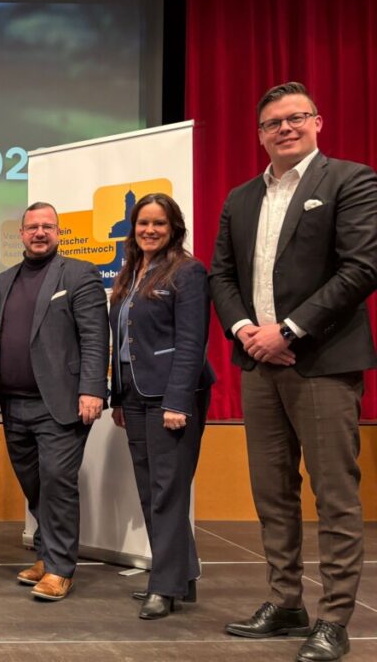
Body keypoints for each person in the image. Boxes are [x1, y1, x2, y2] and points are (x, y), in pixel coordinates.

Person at [210, 82, 377, 662]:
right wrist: (246, 331)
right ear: (259, 134)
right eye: (273, 123)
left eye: (296, 117)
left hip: (322, 363)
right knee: (272, 493)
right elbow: (221, 276)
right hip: (257, 365)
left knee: (335, 497)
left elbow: (362, 267)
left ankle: (334, 618)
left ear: (317, 122)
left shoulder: (350, 181)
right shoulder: (240, 198)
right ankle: (285, 603)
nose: (285, 128)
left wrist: (289, 331)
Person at [0, 201, 109, 601]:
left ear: (59, 232)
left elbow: (95, 335)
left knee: (58, 481)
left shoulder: (79, 273)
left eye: (47, 226)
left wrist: (92, 388)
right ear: (21, 234)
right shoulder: (3, 280)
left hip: (60, 403)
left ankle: (60, 569)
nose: (40, 233)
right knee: (35, 485)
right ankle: (47, 554)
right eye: (32, 227)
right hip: (12, 404)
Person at [107, 193, 214, 619]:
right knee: (152, 490)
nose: (149, 230)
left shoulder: (189, 271)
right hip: (134, 395)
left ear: (174, 229)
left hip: (172, 397)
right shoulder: (131, 272)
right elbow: (124, 340)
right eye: (143, 223)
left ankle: (164, 585)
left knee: (168, 492)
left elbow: (191, 342)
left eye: (159, 223)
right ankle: (181, 577)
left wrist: (178, 401)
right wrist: (119, 397)